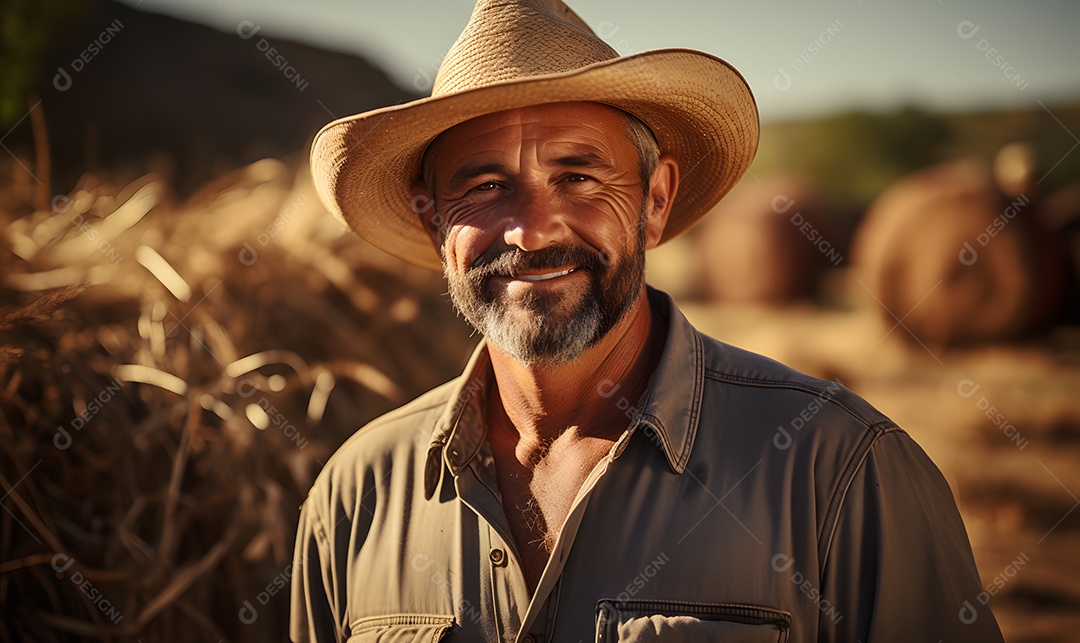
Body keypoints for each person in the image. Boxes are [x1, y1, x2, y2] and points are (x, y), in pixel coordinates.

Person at [291, 1, 1005, 641]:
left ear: (655, 201)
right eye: (485, 187)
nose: (531, 232)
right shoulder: (355, 495)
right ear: (433, 220)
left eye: (577, 176)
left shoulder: (840, 471)